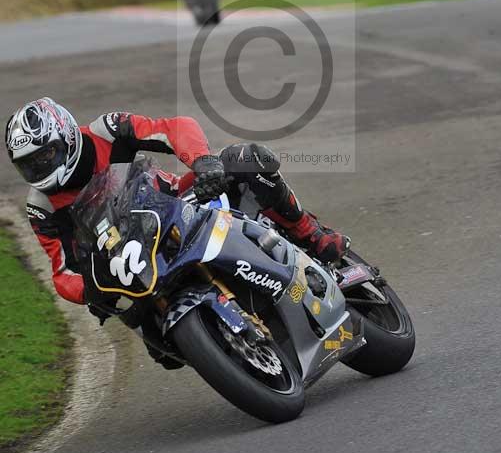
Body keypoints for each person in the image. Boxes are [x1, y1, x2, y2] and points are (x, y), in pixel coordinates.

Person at [5, 98, 349, 363]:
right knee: (161, 350)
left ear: (65, 135)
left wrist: (202, 161)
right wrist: (90, 290)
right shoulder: (42, 205)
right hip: (129, 264)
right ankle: (212, 342)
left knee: (245, 159)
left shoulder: (105, 130)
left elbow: (172, 128)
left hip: (176, 206)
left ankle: (311, 234)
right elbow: (62, 269)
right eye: (28, 165)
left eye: (45, 155)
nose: (39, 168)